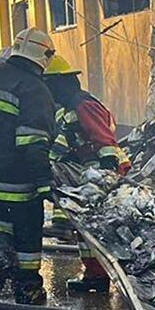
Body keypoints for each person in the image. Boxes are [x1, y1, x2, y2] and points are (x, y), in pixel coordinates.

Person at [0, 28, 56, 305]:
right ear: (44, 55)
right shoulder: (35, 90)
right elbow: (33, 143)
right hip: (18, 181)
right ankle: (27, 288)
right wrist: (44, 183)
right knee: (27, 230)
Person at [43, 54, 131, 293]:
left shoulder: (83, 104)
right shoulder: (69, 106)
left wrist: (107, 170)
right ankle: (95, 276)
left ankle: (111, 274)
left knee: (97, 226)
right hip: (89, 168)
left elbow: (104, 139)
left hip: (100, 169)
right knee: (87, 227)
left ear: (59, 82)